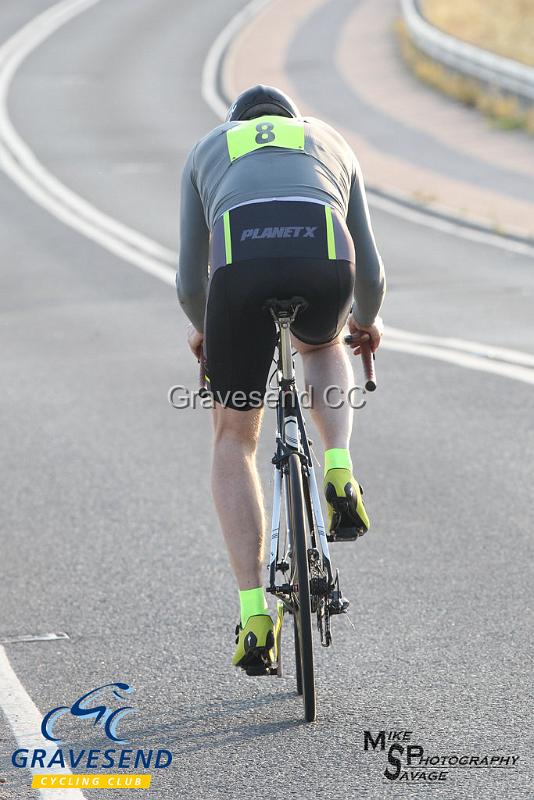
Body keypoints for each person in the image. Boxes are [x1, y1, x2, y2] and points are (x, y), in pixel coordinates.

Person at [176, 85, 385, 673]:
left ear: (235, 123)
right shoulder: (331, 140)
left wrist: (205, 333)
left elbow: (192, 284)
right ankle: (338, 466)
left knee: (234, 439)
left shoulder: (206, 149)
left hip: (240, 271)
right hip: (323, 258)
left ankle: (254, 614)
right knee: (320, 343)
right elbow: (370, 270)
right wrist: (364, 324)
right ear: (293, 121)